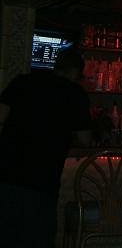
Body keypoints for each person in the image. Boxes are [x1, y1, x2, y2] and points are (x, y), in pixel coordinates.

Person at [0, 47, 92, 247]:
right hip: (43, 181)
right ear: (75, 72)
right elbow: (85, 139)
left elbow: (1, 115)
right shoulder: (75, 94)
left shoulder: (22, 81)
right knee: (38, 238)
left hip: (6, 175)